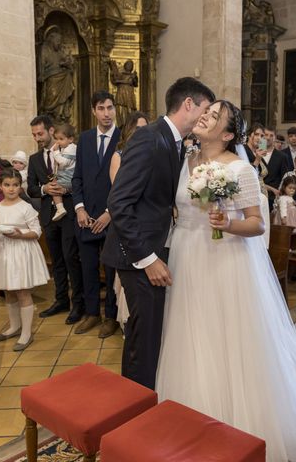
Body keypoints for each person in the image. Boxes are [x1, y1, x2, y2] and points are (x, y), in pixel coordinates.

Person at [156, 100, 296, 461]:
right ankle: (189, 414)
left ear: (228, 134)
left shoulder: (239, 169)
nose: (204, 117)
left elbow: (256, 223)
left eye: (214, 117)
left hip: (225, 259)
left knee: (225, 337)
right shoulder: (187, 159)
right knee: (190, 331)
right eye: (206, 112)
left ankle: (231, 419)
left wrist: (226, 224)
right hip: (187, 253)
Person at [101, 77, 215, 389]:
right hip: (136, 255)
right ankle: (138, 408)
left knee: (146, 334)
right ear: (188, 104)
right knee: (145, 336)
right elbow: (119, 201)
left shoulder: (174, 141)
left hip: (155, 246)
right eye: (205, 109)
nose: (206, 116)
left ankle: (135, 400)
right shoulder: (149, 138)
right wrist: (148, 258)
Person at [72, 91, 119, 337]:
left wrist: (110, 213)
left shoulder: (124, 138)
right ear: (94, 111)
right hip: (86, 217)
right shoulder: (85, 138)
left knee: (111, 270)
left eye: (110, 108)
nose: (106, 113)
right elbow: (77, 176)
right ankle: (92, 313)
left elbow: (125, 182)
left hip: (112, 218)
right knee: (88, 267)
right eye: (101, 108)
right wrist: (79, 208)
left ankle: (111, 316)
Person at [28, 115, 84, 324]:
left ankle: (78, 303)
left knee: (71, 258)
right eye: (34, 135)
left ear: (51, 131)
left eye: (40, 133)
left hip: (69, 211)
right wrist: (44, 188)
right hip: (48, 214)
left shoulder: (70, 152)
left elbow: (79, 179)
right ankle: (61, 300)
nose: (37, 138)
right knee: (57, 261)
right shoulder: (34, 159)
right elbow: (31, 188)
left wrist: (65, 188)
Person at [0, 169, 49, 351]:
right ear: (0, 186)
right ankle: (14, 326)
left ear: (20, 186)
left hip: (21, 252)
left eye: (15, 185)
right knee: (9, 291)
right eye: (7, 185)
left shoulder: (26, 207)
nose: (11, 189)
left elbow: (36, 231)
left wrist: (20, 234)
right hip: (4, 253)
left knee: (23, 291)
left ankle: (26, 333)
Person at [109, 110, 149, 331]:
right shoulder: (119, 155)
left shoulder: (151, 153)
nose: (141, 133)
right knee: (129, 277)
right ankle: (127, 323)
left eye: (145, 128)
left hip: (147, 225)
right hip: (128, 222)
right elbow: (119, 191)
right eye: (137, 129)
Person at [49, 124, 77, 222]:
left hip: (68, 177)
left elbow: (64, 163)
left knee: (54, 187)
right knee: (54, 182)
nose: (58, 142)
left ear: (70, 139)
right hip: (65, 176)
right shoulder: (67, 148)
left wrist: (56, 152)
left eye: (61, 139)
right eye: (56, 139)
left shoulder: (71, 148)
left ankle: (60, 208)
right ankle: (58, 203)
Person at [261, 126, 290, 212]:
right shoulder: (255, 154)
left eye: (271, 135)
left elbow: (285, 178)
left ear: (275, 138)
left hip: (273, 198)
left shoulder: (282, 157)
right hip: (256, 196)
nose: (268, 138)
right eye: (266, 135)